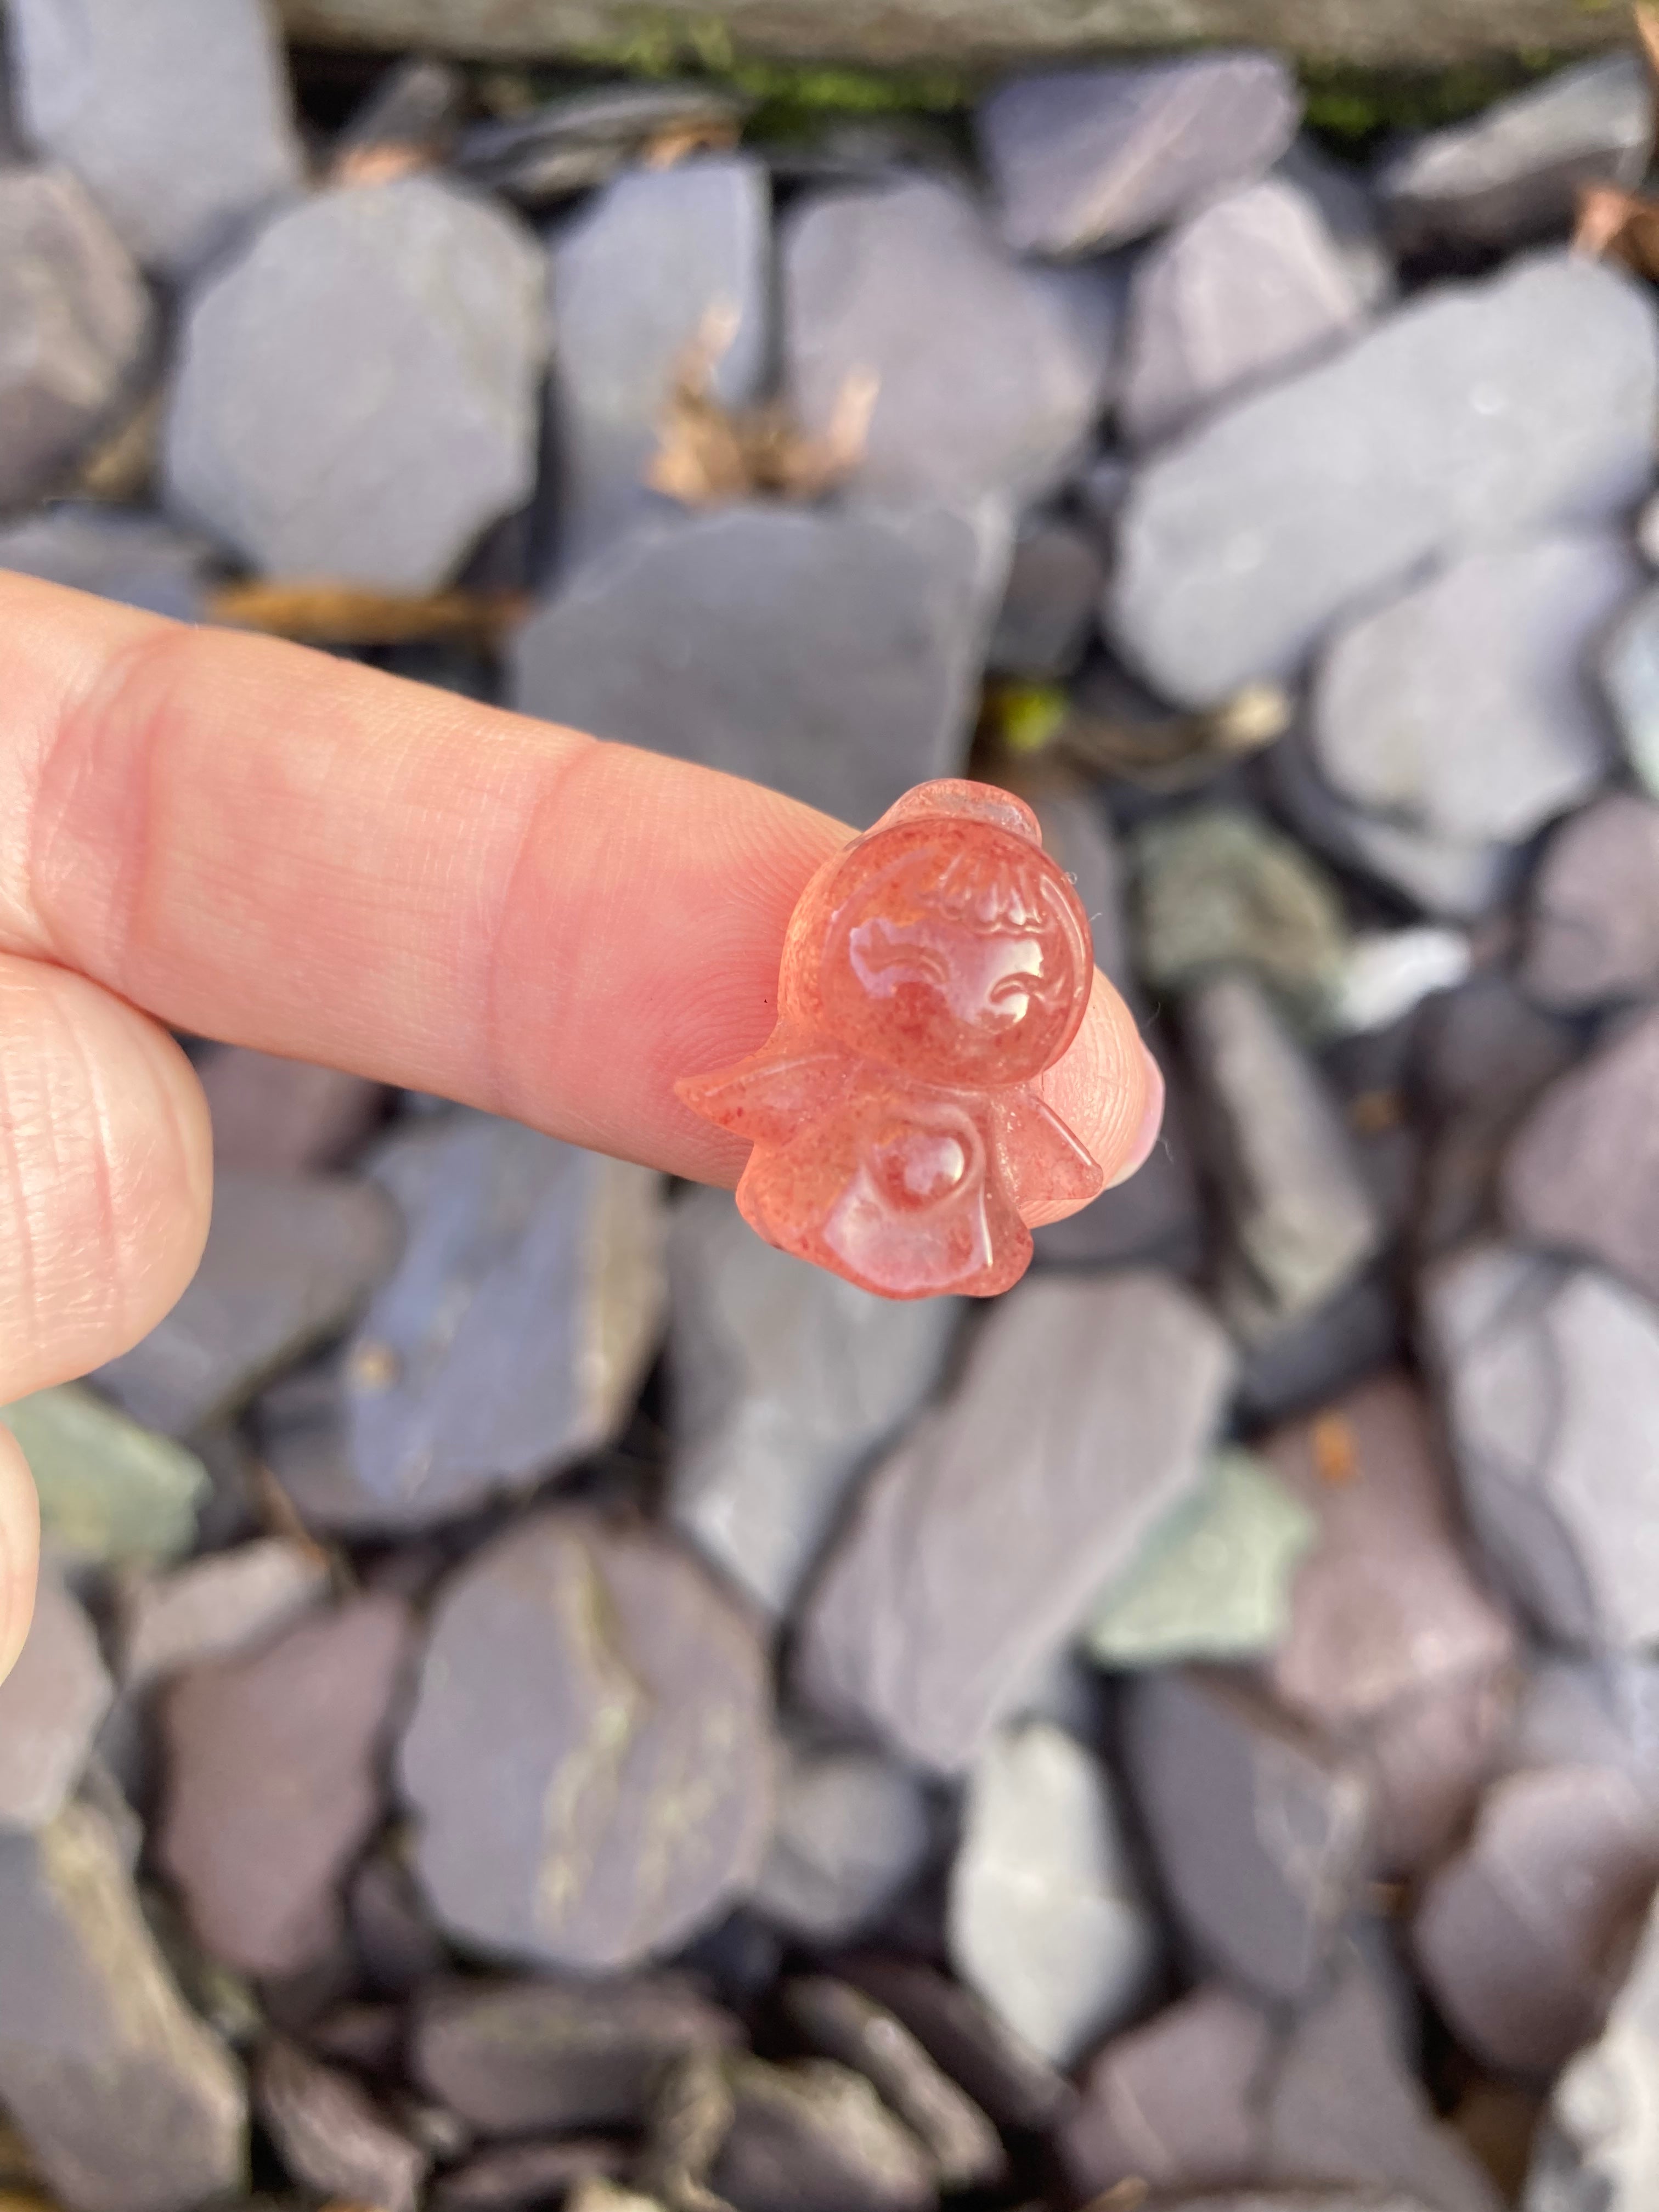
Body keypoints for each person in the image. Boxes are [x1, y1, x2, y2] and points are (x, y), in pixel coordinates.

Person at [0, 573, 1163, 1685]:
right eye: (921, 967)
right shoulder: (851, 1025)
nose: (952, 996)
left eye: (996, 992)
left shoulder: (951, 1070)